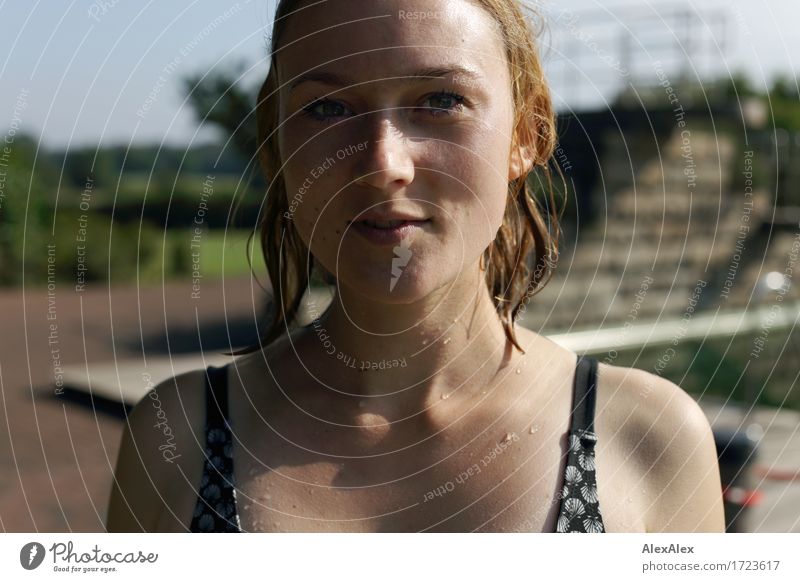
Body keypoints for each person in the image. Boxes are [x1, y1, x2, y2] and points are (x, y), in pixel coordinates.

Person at [106, 0, 725, 533]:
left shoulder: (649, 438)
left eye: (441, 100)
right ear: (277, 141)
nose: (384, 164)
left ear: (526, 133)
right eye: (328, 109)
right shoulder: (176, 437)